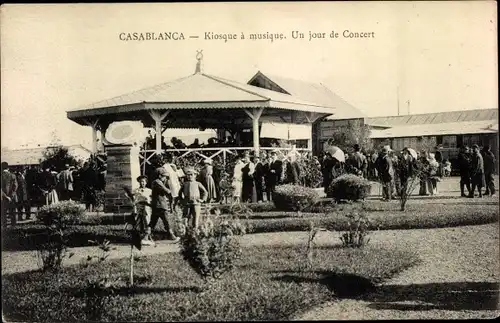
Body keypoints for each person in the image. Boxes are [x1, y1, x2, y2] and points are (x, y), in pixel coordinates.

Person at [150, 168, 179, 241]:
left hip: (157, 205)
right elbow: (167, 191)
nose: (165, 178)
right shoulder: (157, 182)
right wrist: (171, 190)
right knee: (166, 221)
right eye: (164, 176)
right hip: (160, 205)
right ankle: (172, 236)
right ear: (159, 176)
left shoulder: (157, 182)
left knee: (153, 222)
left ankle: (145, 237)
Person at [128, 175, 154, 246]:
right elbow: (130, 196)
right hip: (138, 208)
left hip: (146, 208)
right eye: (141, 182)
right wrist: (133, 200)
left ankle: (148, 237)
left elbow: (152, 199)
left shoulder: (149, 191)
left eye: (143, 182)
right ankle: (139, 238)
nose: (142, 183)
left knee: (147, 221)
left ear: (146, 182)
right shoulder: (136, 190)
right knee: (138, 222)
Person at [2, 162, 19, 226]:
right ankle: (13, 225)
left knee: (3, 212)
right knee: (12, 211)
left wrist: (6, 196)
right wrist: (11, 196)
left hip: (3, 197)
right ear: (8, 168)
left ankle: (4, 225)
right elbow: (16, 186)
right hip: (12, 197)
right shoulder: (13, 175)